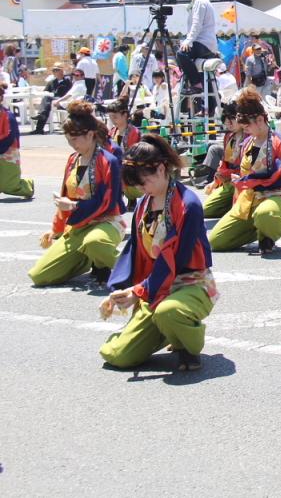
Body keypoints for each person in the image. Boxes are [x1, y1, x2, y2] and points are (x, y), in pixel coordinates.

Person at [99, 136, 218, 373]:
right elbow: (132, 251)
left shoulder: (188, 204)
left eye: (144, 182)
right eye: (138, 186)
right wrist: (119, 289)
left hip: (189, 283)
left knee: (169, 311)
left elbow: (176, 259)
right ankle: (168, 330)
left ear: (162, 168)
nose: (142, 189)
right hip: (154, 286)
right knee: (117, 355)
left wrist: (140, 291)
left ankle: (188, 343)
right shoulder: (144, 204)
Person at [27, 101, 123, 286]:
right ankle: (86, 257)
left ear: (90, 134)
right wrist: (55, 229)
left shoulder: (108, 160)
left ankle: (132, 271)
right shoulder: (73, 160)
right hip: (77, 227)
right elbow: (65, 196)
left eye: (75, 140)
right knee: (39, 276)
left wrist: (74, 206)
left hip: (105, 223)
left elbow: (108, 202)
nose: (72, 145)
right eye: (69, 141)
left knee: (95, 242)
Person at [208, 88, 281, 255]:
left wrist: (248, 180)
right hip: (247, 199)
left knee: (266, 213)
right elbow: (241, 172)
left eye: (247, 125)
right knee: (215, 241)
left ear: (260, 120)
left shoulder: (279, 143)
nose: (244, 128)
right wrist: (236, 178)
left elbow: (280, 178)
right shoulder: (246, 143)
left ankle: (267, 235)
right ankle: (256, 228)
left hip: (273, 195)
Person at [176, 0, 220, 94]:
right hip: (207, 44)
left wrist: (188, 40)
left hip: (202, 42)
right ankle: (210, 106)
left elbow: (197, 24)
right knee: (202, 73)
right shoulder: (201, 1)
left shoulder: (200, 2)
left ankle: (196, 84)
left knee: (181, 54)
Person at [202, 102, 244, 218]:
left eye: (232, 118)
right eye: (226, 119)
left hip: (244, 182)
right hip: (229, 182)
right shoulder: (229, 137)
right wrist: (215, 182)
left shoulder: (250, 137)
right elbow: (225, 164)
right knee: (205, 210)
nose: (228, 123)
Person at [107, 97, 142, 209]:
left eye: (115, 117)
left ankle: (130, 198)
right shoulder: (112, 131)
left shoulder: (134, 132)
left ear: (125, 115)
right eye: (111, 117)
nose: (113, 120)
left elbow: (134, 153)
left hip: (131, 166)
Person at [0, 84, 34, 198]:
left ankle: (27, 185)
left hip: (6, 153)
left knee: (9, 186)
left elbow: (9, 137)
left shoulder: (7, 115)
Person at [30, 64, 71, 135]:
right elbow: (45, 92)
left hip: (62, 100)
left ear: (62, 71)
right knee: (46, 105)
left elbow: (69, 93)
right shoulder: (51, 82)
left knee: (47, 100)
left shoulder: (67, 81)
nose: (55, 72)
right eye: (54, 70)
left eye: (57, 70)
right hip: (51, 101)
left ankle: (39, 125)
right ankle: (39, 128)